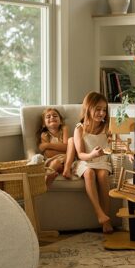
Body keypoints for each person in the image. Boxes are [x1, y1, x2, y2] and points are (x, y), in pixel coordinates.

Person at [72, 91, 115, 234]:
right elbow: (80, 154)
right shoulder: (79, 128)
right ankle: (100, 214)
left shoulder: (107, 126)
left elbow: (118, 142)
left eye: (104, 110)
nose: (102, 113)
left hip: (102, 161)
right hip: (86, 161)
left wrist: (128, 154)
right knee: (89, 173)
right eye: (98, 109)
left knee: (102, 175)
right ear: (88, 108)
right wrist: (92, 154)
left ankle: (106, 217)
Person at [37, 106, 76, 186]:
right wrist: (63, 149)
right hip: (52, 161)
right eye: (48, 117)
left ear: (61, 121)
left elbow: (66, 147)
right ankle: (45, 184)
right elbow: (48, 154)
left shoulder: (64, 129)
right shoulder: (44, 135)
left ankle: (65, 170)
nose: (52, 117)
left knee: (71, 140)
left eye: (55, 116)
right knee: (56, 162)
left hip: (66, 161)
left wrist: (48, 145)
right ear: (44, 124)